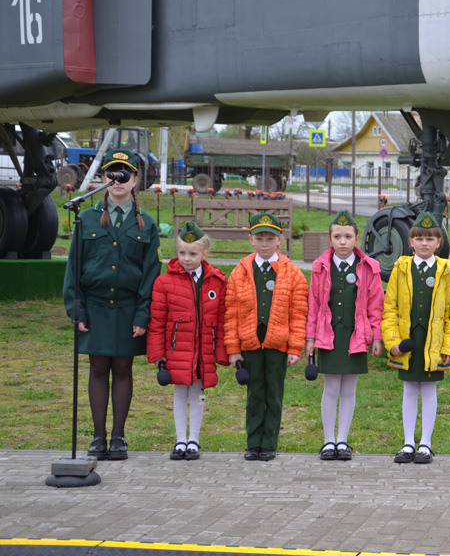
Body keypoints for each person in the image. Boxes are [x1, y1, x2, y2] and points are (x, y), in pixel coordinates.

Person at [62, 149, 161, 460]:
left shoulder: (146, 224)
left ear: (135, 181)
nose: (117, 180)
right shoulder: (87, 218)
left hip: (128, 309)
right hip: (95, 307)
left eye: (124, 174)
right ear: (103, 179)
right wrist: (76, 308)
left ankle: (118, 436)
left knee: (122, 368)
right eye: (111, 174)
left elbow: (150, 275)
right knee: (97, 368)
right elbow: (74, 267)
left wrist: (143, 314)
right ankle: (98, 436)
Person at [225, 213, 308, 461]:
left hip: (277, 343)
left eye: (270, 239)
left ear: (280, 240)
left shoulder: (293, 273)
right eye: (259, 238)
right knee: (254, 394)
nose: (264, 244)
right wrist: (233, 349)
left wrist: (295, 347)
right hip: (250, 342)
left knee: (273, 394)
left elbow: (298, 313)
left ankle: (269, 443)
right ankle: (253, 443)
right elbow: (231, 313)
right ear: (251, 240)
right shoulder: (239, 273)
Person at [381, 212, 450, 464]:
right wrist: (393, 343)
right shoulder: (400, 269)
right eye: (419, 238)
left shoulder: (446, 270)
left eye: (430, 239)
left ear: (439, 243)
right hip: (408, 342)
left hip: (433, 343)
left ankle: (425, 443)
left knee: (428, 391)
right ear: (410, 242)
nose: (424, 243)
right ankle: (408, 443)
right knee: (409, 390)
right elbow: (390, 308)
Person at [304, 210, 385, 461]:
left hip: (356, 336)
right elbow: (313, 305)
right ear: (329, 239)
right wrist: (310, 338)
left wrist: (377, 336)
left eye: (348, 236)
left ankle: (342, 440)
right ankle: (328, 441)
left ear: (357, 238)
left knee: (349, 389)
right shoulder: (320, 267)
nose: (342, 241)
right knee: (330, 388)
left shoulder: (369, 268)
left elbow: (376, 305)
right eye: (337, 236)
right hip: (328, 335)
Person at [147, 222, 228, 460]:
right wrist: (158, 354)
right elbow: (157, 321)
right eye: (182, 253)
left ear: (204, 253)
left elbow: (221, 320)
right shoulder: (164, 282)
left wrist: (221, 353)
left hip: (204, 350)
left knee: (197, 393)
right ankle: (180, 439)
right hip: (177, 351)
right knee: (180, 393)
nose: (186, 258)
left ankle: (194, 440)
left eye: (192, 254)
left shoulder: (217, 282)